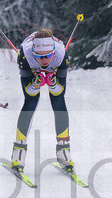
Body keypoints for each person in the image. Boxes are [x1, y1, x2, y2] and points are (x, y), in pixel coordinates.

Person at [10, 28, 75, 175]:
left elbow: (59, 92)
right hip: (31, 68)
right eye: (40, 57)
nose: (44, 60)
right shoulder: (25, 56)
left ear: (53, 52)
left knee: (58, 101)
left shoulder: (61, 55)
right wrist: (35, 84)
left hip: (55, 68)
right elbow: (29, 93)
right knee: (31, 102)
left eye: (48, 55)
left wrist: (53, 84)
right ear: (34, 54)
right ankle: (18, 152)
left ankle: (63, 151)